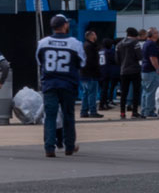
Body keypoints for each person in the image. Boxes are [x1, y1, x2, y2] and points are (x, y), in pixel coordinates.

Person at [36, 14, 86, 158]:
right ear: (65, 25)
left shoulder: (43, 42)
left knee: (50, 116)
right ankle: (69, 146)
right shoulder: (74, 43)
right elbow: (82, 62)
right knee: (68, 115)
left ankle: (49, 147)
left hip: (50, 83)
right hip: (68, 83)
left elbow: (40, 61)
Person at [113, 28, 144, 119]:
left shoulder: (118, 44)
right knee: (136, 91)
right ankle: (134, 112)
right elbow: (140, 56)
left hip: (123, 71)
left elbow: (117, 60)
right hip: (135, 70)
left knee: (124, 93)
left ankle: (122, 113)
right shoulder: (135, 43)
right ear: (135, 34)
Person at [139, 29, 159, 118]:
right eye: (156, 33)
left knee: (146, 91)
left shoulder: (148, 43)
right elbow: (153, 58)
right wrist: (158, 68)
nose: (158, 34)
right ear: (151, 35)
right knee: (151, 92)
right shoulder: (151, 44)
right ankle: (149, 111)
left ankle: (144, 110)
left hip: (146, 71)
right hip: (151, 71)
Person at [80, 30, 106, 119]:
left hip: (84, 73)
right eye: (94, 34)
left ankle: (84, 111)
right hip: (91, 73)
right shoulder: (90, 47)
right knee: (92, 93)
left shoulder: (84, 45)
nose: (96, 36)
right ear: (91, 36)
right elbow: (92, 61)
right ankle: (93, 111)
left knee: (85, 93)